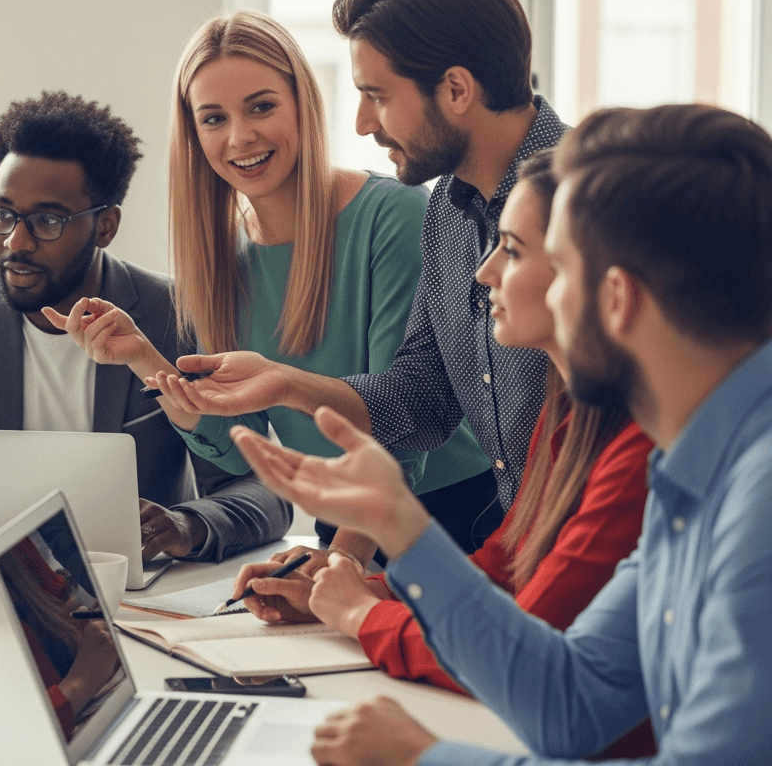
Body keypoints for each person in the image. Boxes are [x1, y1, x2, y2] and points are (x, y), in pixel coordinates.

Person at [231, 105, 772, 765]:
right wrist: (402, 527)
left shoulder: (756, 497)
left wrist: (424, 758)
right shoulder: (690, 461)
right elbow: (571, 701)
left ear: (616, 299)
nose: (484, 275)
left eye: (543, 260)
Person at [46, 9, 495, 572]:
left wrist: (335, 571)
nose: (240, 137)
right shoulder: (222, 256)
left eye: (261, 106)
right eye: (213, 118)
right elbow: (238, 446)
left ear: (302, 103)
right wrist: (142, 357)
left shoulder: (395, 215)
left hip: (448, 522)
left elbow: (401, 429)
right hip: (343, 524)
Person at [150, 0, 567, 553]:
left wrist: (349, 566)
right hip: (519, 549)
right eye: (213, 118)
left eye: (376, 96)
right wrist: (285, 383)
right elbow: (421, 399)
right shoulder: (448, 209)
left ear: (457, 90)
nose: (361, 123)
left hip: (577, 553)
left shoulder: (592, 200)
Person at [0, 91, 289, 562]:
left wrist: (188, 524)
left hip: (130, 597)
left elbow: (266, 487)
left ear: (105, 227)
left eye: (47, 219)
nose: (17, 240)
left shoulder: (177, 314)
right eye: (4, 214)